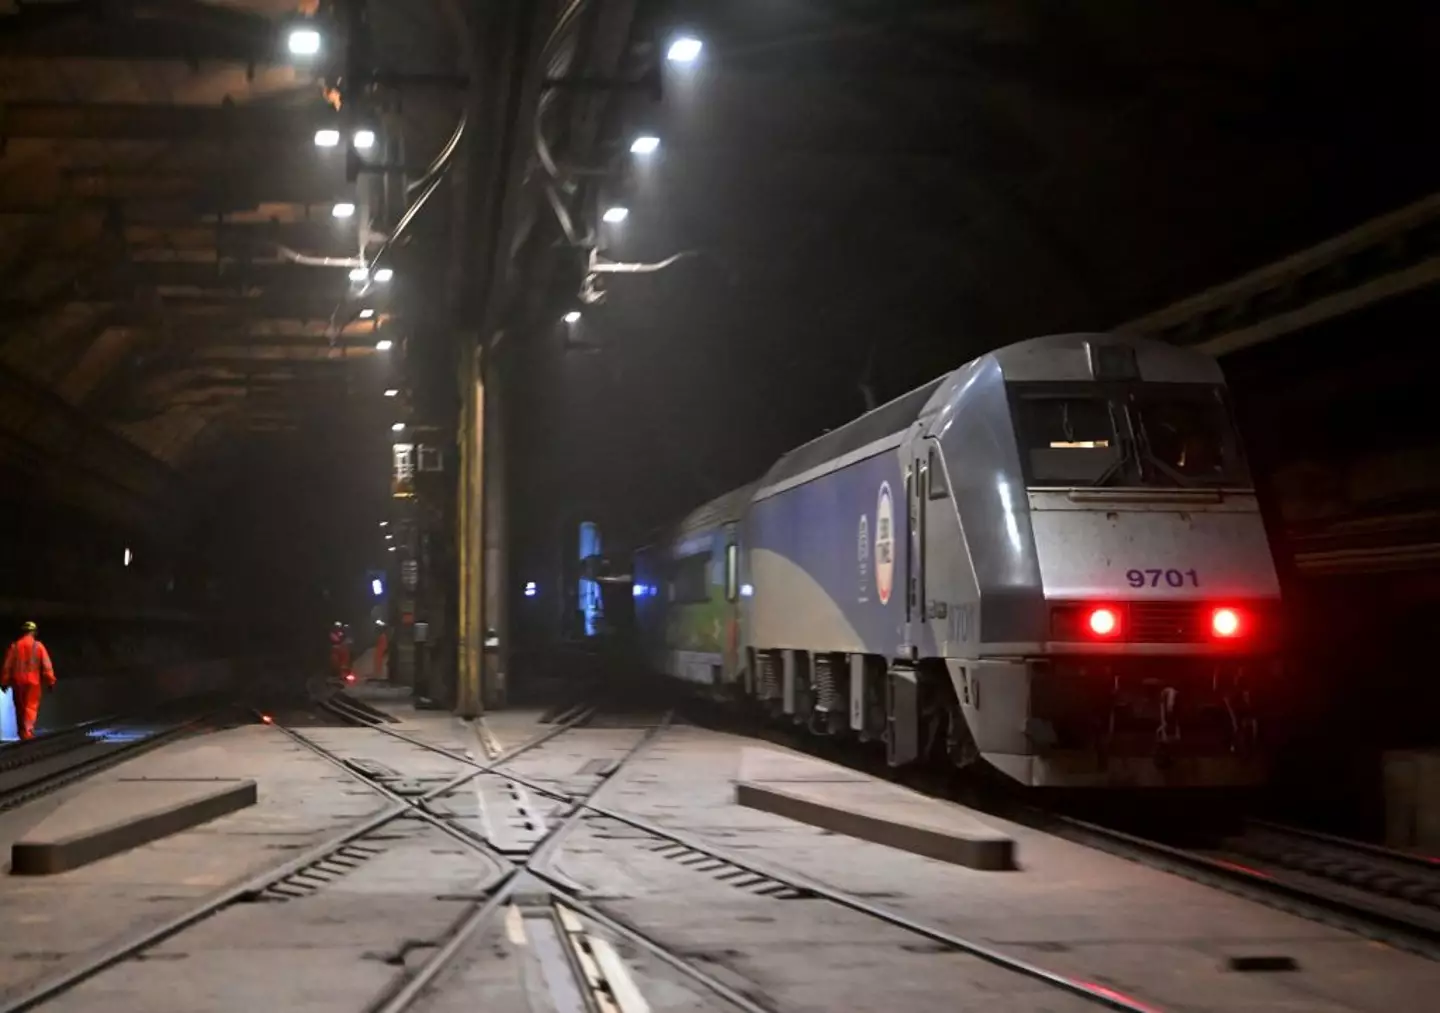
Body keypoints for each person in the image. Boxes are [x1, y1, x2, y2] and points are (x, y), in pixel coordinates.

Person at [1, 622, 56, 740]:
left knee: (20, 708)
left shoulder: (15, 646)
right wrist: (50, 681)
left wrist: (4, 682)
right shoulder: (38, 646)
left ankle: (23, 733)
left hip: (18, 682)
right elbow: (47, 665)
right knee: (30, 708)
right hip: (33, 683)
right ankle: (27, 733)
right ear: (34, 632)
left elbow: (7, 666)